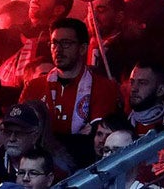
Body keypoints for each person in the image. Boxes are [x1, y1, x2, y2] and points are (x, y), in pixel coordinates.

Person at [20, 18, 122, 150]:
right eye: (54, 43)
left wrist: (48, 135)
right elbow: (23, 130)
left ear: (82, 48)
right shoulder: (34, 87)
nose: (58, 49)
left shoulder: (103, 87)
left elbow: (95, 136)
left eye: (66, 43)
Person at [127, 62, 164, 135]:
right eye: (132, 82)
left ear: (160, 90)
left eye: (142, 83)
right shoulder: (121, 125)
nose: (133, 88)